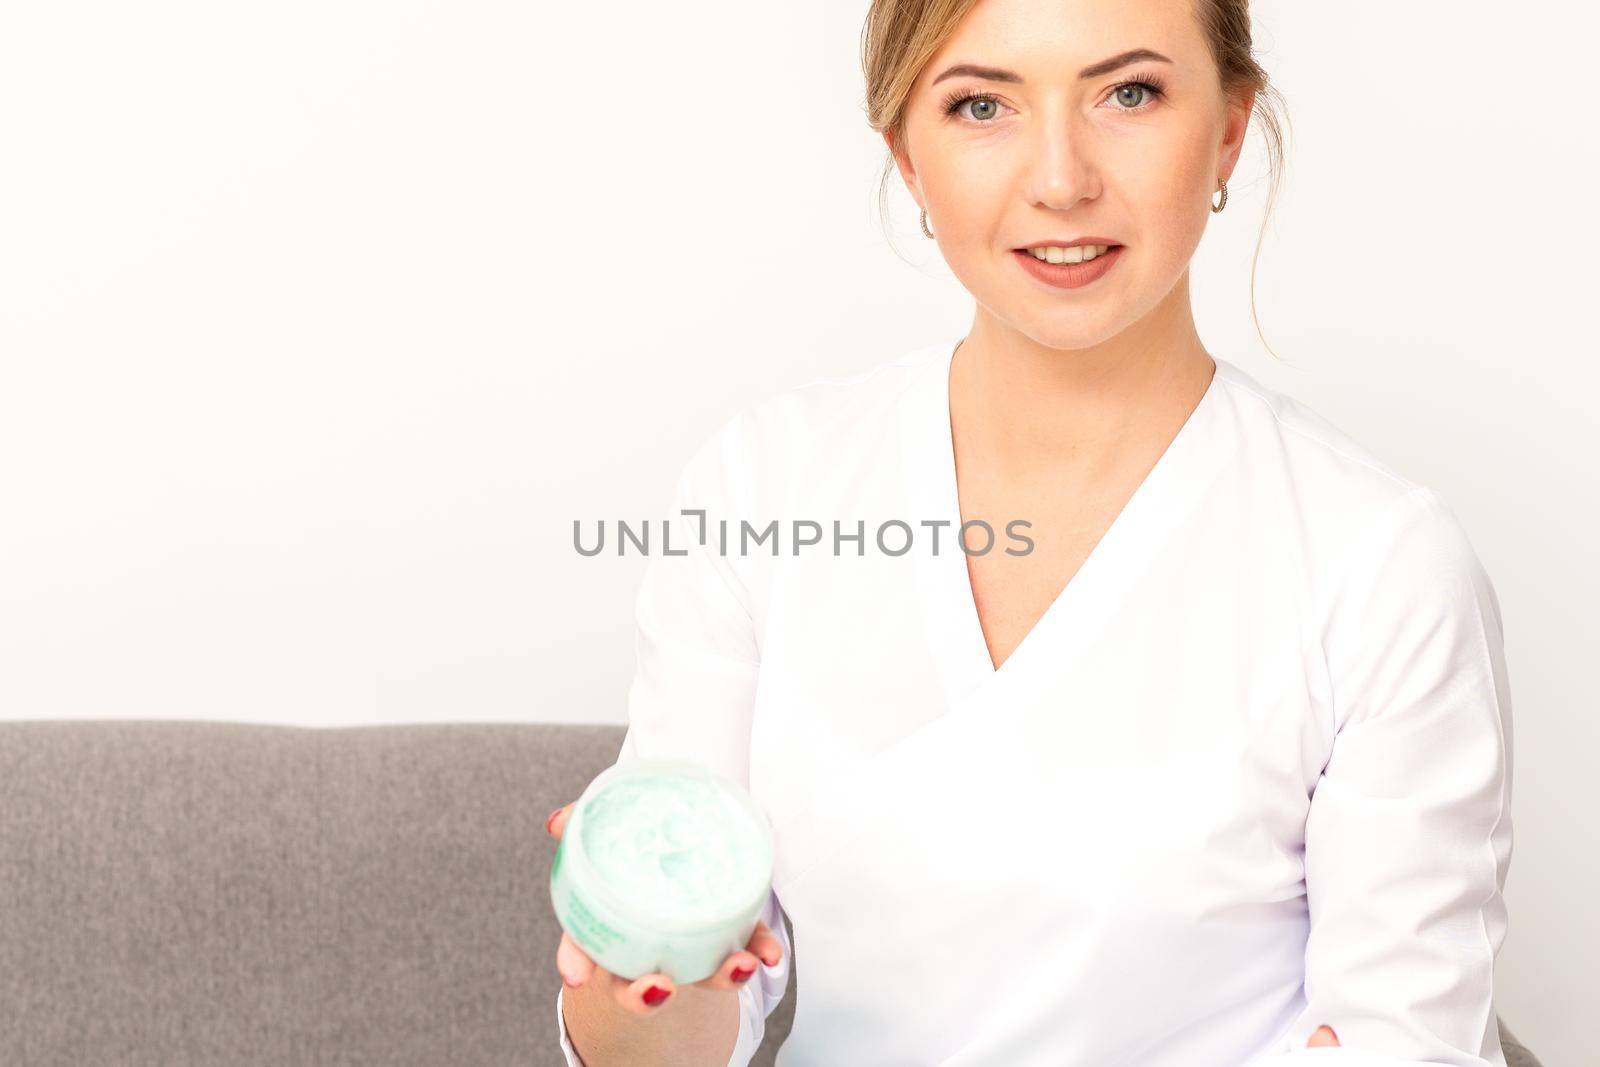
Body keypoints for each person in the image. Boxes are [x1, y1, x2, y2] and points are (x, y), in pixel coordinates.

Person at [552, 0, 1514, 1063]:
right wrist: (642, 973)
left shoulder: (1378, 563)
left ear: (1230, 126)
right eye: (980, 105)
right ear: (906, 158)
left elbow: (1402, 1038)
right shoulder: (762, 490)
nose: (1060, 178)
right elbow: (668, 1029)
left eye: (1129, 93)